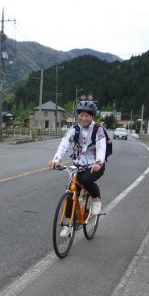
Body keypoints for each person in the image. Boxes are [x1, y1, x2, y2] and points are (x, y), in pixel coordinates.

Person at [48, 100, 106, 237]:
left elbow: (102, 147)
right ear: (78, 115)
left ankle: (96, 199)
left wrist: (98, 162)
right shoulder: (73, 129)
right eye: (81, 115)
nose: (83, 118)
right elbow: (64, 144)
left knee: (86, 179)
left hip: (95, 165)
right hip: (78, 164)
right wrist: (56, 159)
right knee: (71, 191)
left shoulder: (99, 130)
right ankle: (69, 224)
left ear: (92, 117)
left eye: (87, 115)